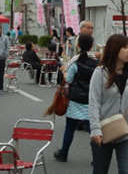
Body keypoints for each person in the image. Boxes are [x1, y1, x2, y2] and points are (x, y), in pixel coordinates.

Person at [89, 34, 128, 174]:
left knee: (127, 171)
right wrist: (95, 129)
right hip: (103, 132)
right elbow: (94, 103)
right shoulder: (100, 73)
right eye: (124, 47)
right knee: (100, 171)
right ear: (114, 49)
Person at [54, 34, 99, 162]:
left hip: (75, 100)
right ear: (92, 46)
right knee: (93, 130)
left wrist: (64, 70)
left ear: (78, 45)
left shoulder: (75, 63)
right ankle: (97, 157)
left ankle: (63, 153)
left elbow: (68, 80)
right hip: (91, 101)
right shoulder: (97, 64)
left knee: (70, 128)